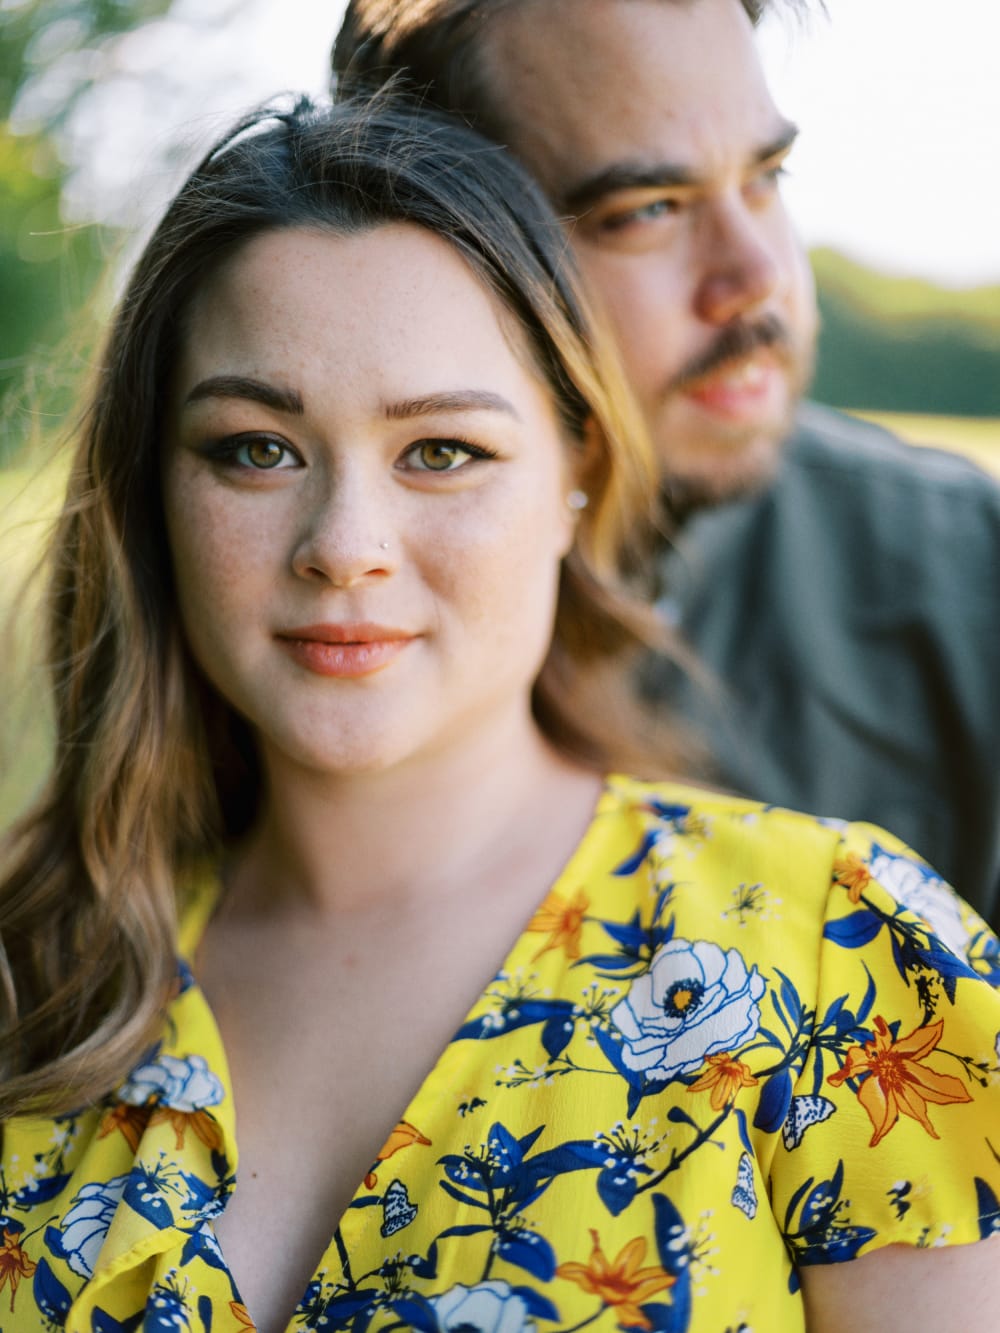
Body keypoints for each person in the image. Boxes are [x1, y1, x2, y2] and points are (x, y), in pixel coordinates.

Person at [2, 95, 1000, 1333]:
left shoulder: (846, 961)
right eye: (257, 449)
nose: (344, 548)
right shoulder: (30, 963)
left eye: (441, 451)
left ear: (579, 469)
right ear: (154, 485)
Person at [330, 0, 1000, 924]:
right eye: (647, 209)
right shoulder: (320, 599)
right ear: (441, 236)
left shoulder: (967, 572)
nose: (758, 274)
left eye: (767, 175)